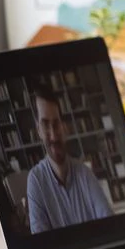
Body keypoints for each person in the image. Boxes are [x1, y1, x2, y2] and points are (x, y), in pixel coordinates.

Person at [25, 84, 113, 234]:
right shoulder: (35, 181)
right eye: (46, 125)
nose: (53, 135)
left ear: (64, 127)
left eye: (56, 124)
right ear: (38, 130)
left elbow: (110, 224)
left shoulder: (85, 173)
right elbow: (42, 244)